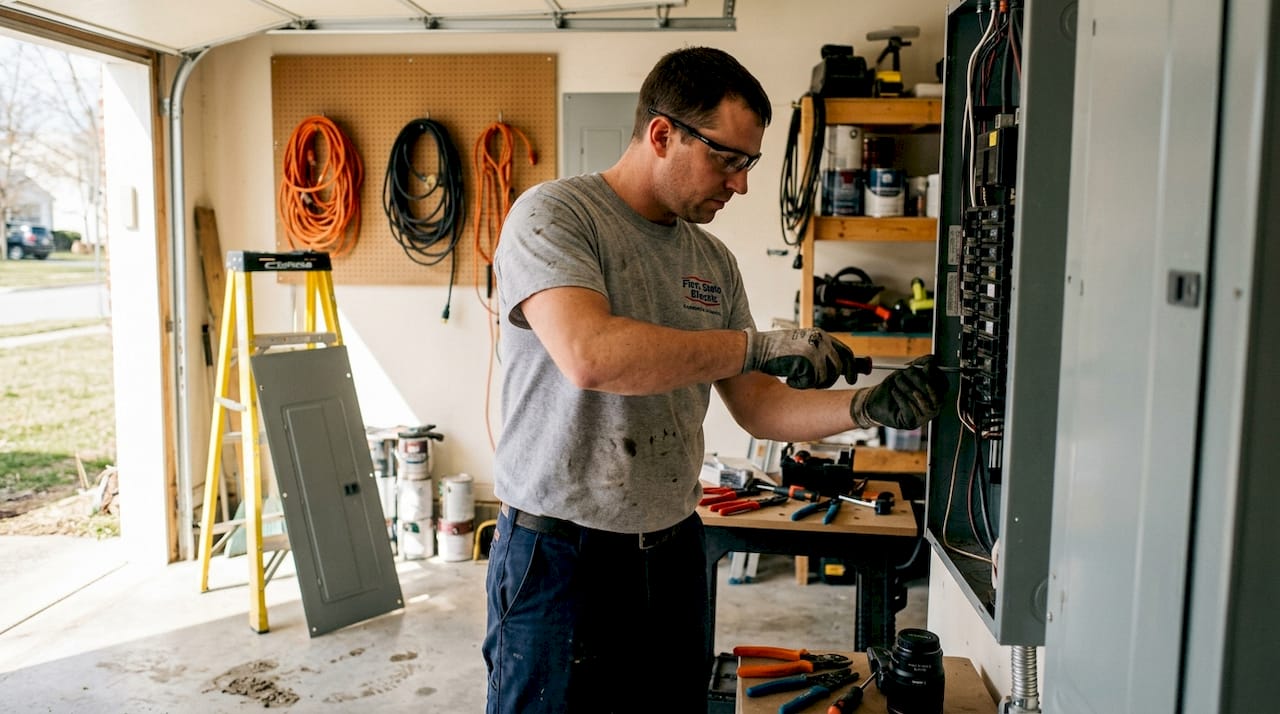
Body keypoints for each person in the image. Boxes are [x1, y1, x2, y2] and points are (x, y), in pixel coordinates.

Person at [482, 46, 949, 714]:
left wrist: (864, 405)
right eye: (728, 159)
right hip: (560, 559)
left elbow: (758, 406)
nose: (741, 184)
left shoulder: (713, 261)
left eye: (750, 164)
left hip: (674, 551)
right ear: (663, 134)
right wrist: (755, 345)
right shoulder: (554, 216)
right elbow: (592, 355)